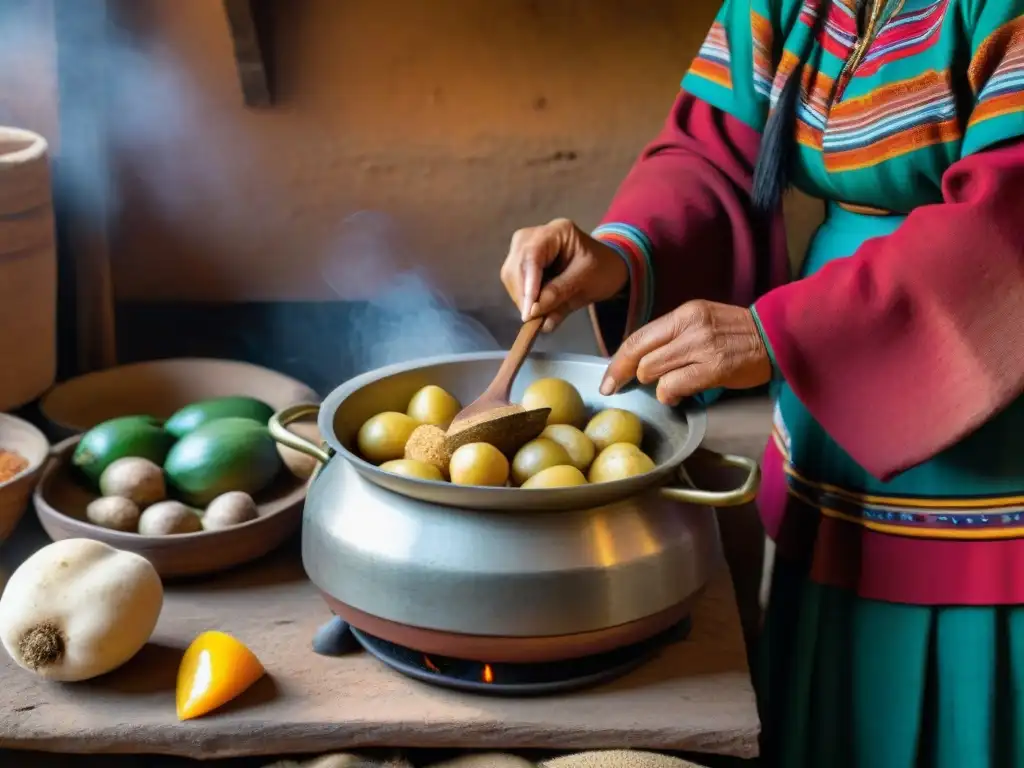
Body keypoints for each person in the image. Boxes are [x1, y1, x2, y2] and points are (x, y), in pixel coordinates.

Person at [499, 1, 1024, 766]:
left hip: (987, 387)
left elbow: (1009, 217)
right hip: (831, 396)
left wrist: (784, 331)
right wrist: (619, 256)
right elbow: (710, 154)